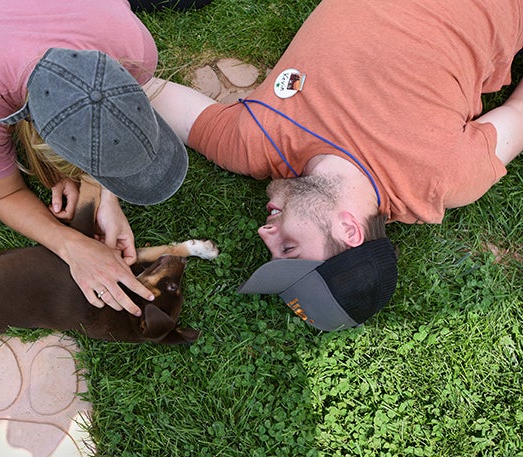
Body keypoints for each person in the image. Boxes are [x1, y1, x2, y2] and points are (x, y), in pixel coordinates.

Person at [143, 0, 523, 330]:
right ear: (349, 230)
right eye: (289, 248)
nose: (264, 234)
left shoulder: (254, 145)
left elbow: (141, 93)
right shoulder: (440, 178)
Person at [0, 0, 211, 316]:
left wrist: (106, 196)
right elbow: (3, 194)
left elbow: (99, 109)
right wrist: (72, 246)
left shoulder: (132, 45)